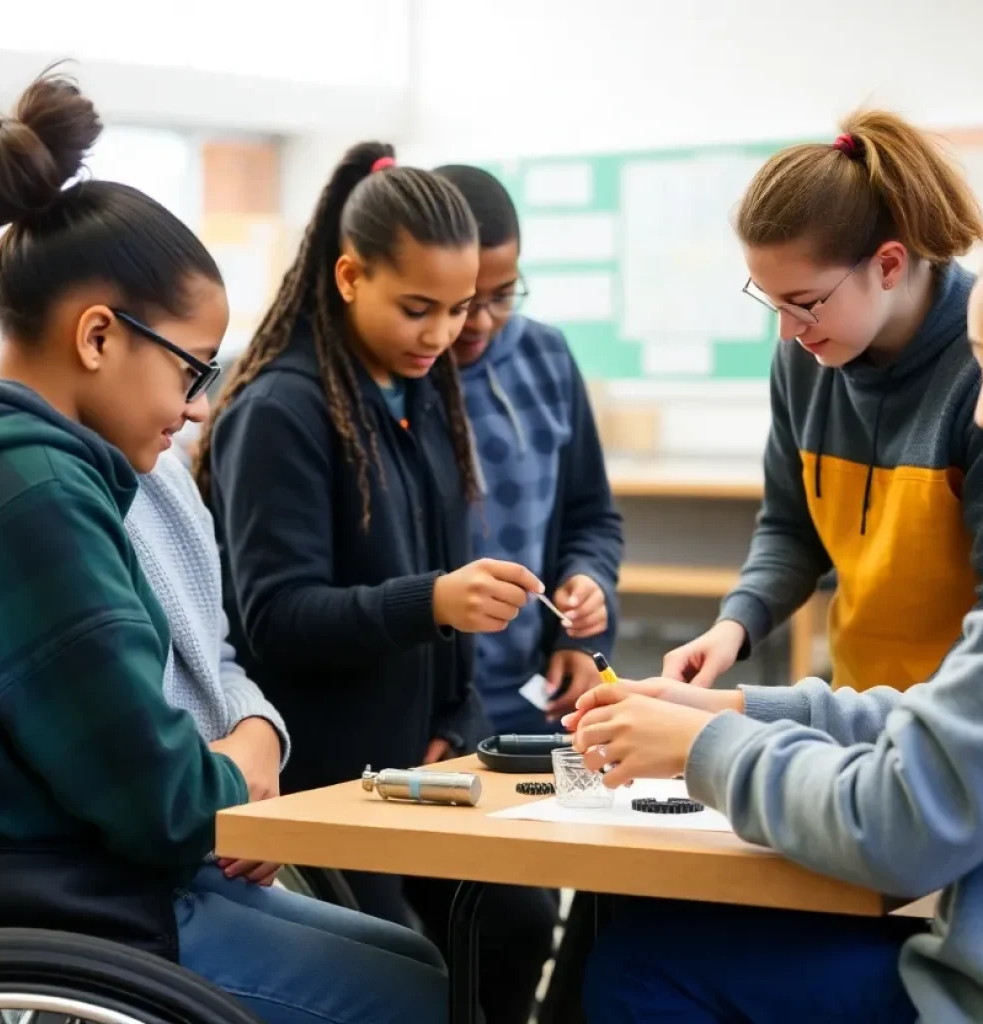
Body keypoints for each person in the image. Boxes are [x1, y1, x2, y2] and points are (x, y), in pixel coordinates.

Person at [0, 72, 446, 1024]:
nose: (196, 407)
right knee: (411, 991)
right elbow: (168, 805)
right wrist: (241, 765)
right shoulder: (38, 495)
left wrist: (239, 749)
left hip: (57, 872)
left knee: (412, 954)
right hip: (58, 902)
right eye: (190, 368)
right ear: (99, 335)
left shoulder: (17, 460)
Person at [195, 143, 557, 1024]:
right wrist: (432, 601)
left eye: (461, 309)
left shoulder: (416, 388)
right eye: (418, 308)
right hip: (325, 775)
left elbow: (436, 577)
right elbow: (276, 618)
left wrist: (450, 720)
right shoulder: (281, 411)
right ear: (350, 276)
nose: (444, 335)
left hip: (420, 762)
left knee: (519, 920)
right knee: (405, 973)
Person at [560, 278, 983, 1024]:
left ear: (886, 267)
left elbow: (900, 818)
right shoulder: (804, 367)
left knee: (640, 964)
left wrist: (706, 744)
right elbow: (947, 731)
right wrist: (740, 703)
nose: (978, 411)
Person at [663, 111, 983, 692]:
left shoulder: (976, 370)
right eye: (772, 302)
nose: (787, 331)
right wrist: (735, 624)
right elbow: (791, 528)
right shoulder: (808, 356)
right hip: (859, 714)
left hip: (957, 733)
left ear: (888, 265)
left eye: (804, 302)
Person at [435, 164, 623, 733]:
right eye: (465, 301)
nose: (483, 322)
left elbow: (591, 516)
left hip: (533, 695)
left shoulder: (546, 355)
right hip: (429, 711)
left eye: (503, 294)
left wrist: (581, 609)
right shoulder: (405, 374)